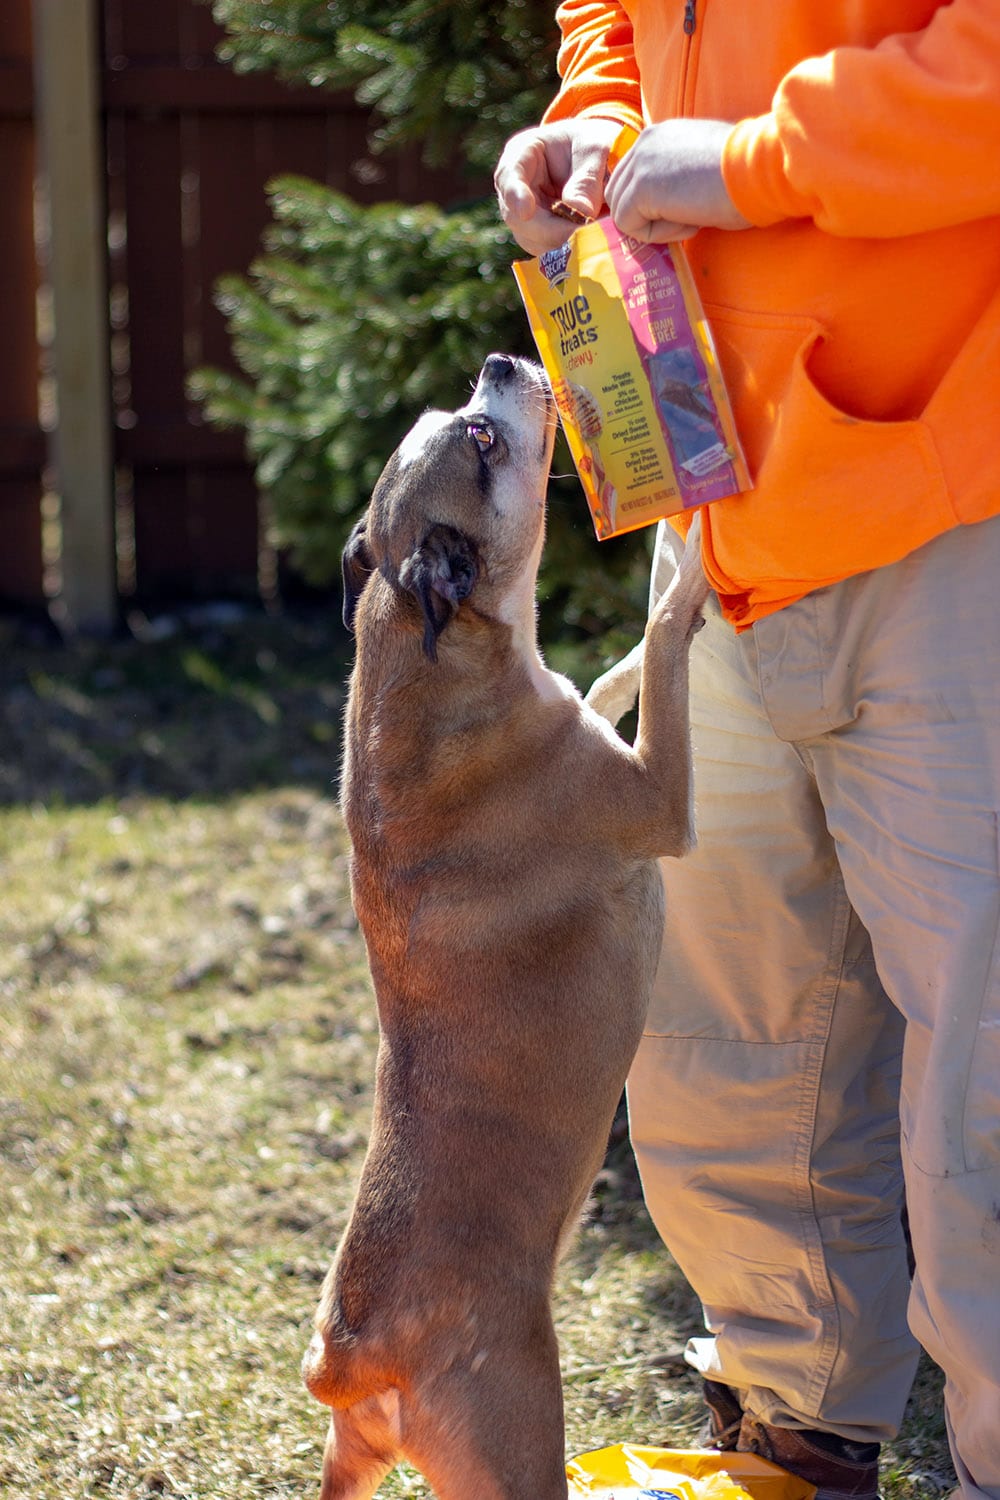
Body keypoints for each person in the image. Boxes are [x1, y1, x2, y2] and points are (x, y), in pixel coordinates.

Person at [494, 6, 1000, 1500]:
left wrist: (746, 163)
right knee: (731, 1022)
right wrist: (600, 115)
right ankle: (795, 1439)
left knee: (987, 1057)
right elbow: (619, 13)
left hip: (961, 488)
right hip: (723, 489)